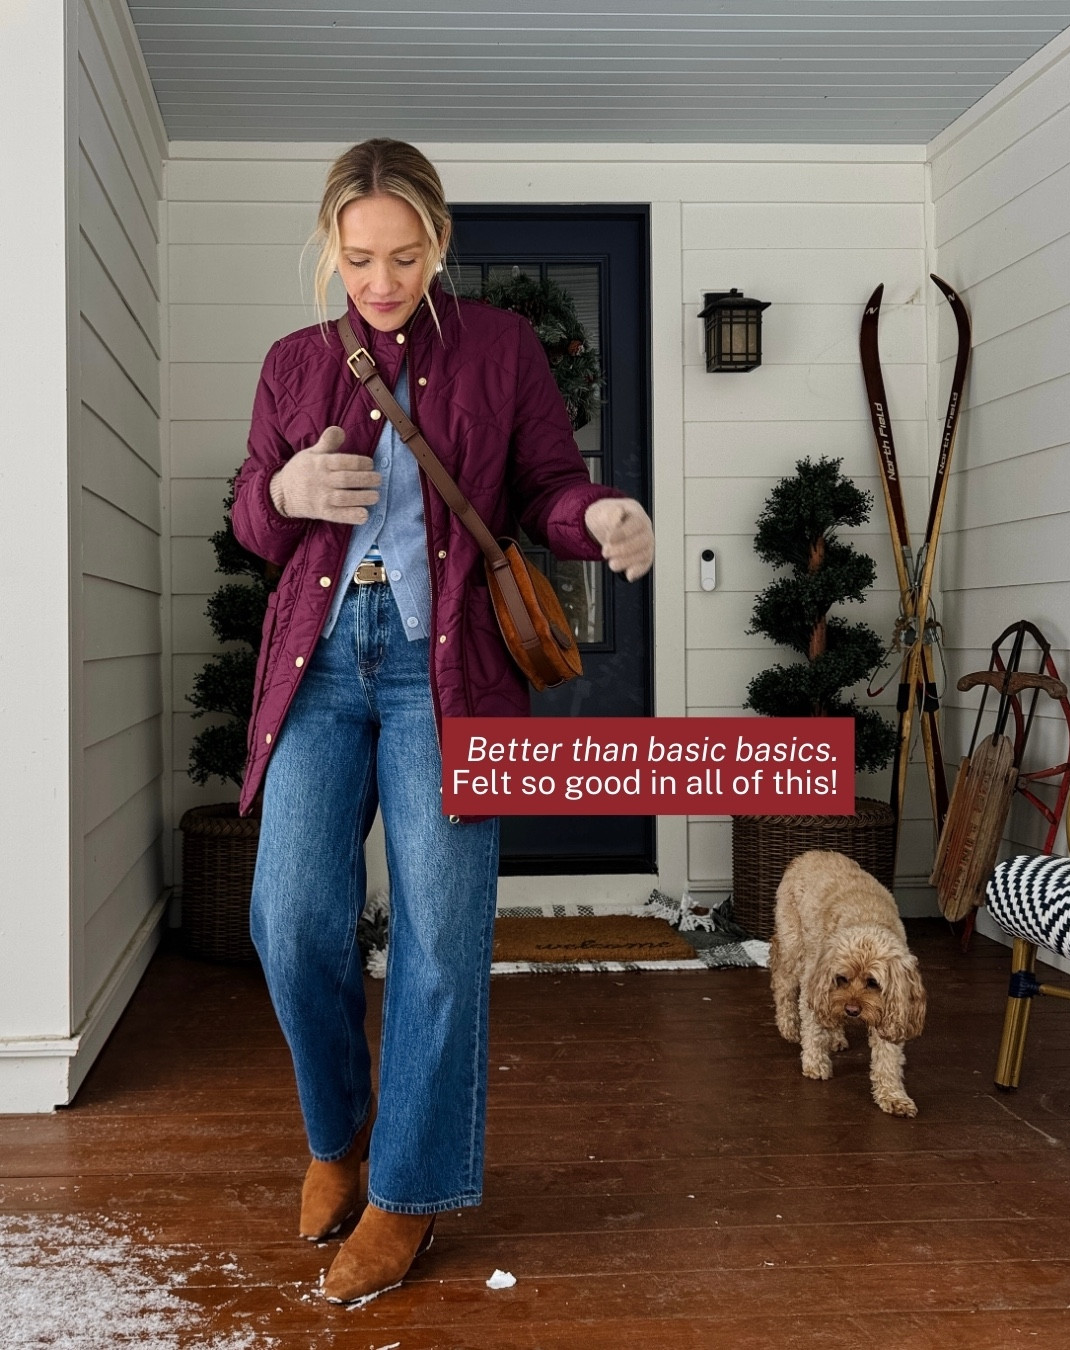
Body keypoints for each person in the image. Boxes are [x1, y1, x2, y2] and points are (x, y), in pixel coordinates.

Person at [231, 138, 654, 1306]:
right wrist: (282, 493)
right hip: (318, 671)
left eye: (404, 256)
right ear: (331, 249)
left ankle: (407, 1194)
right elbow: (253, 520)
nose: (381, 280)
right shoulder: (294, 363)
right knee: (290, 921)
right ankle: (337, 1136)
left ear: (439, 244)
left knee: (438, 943)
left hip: (444, 673)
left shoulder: (503, 351)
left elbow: (548, 489)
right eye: (360, 258)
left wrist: (602, 513)